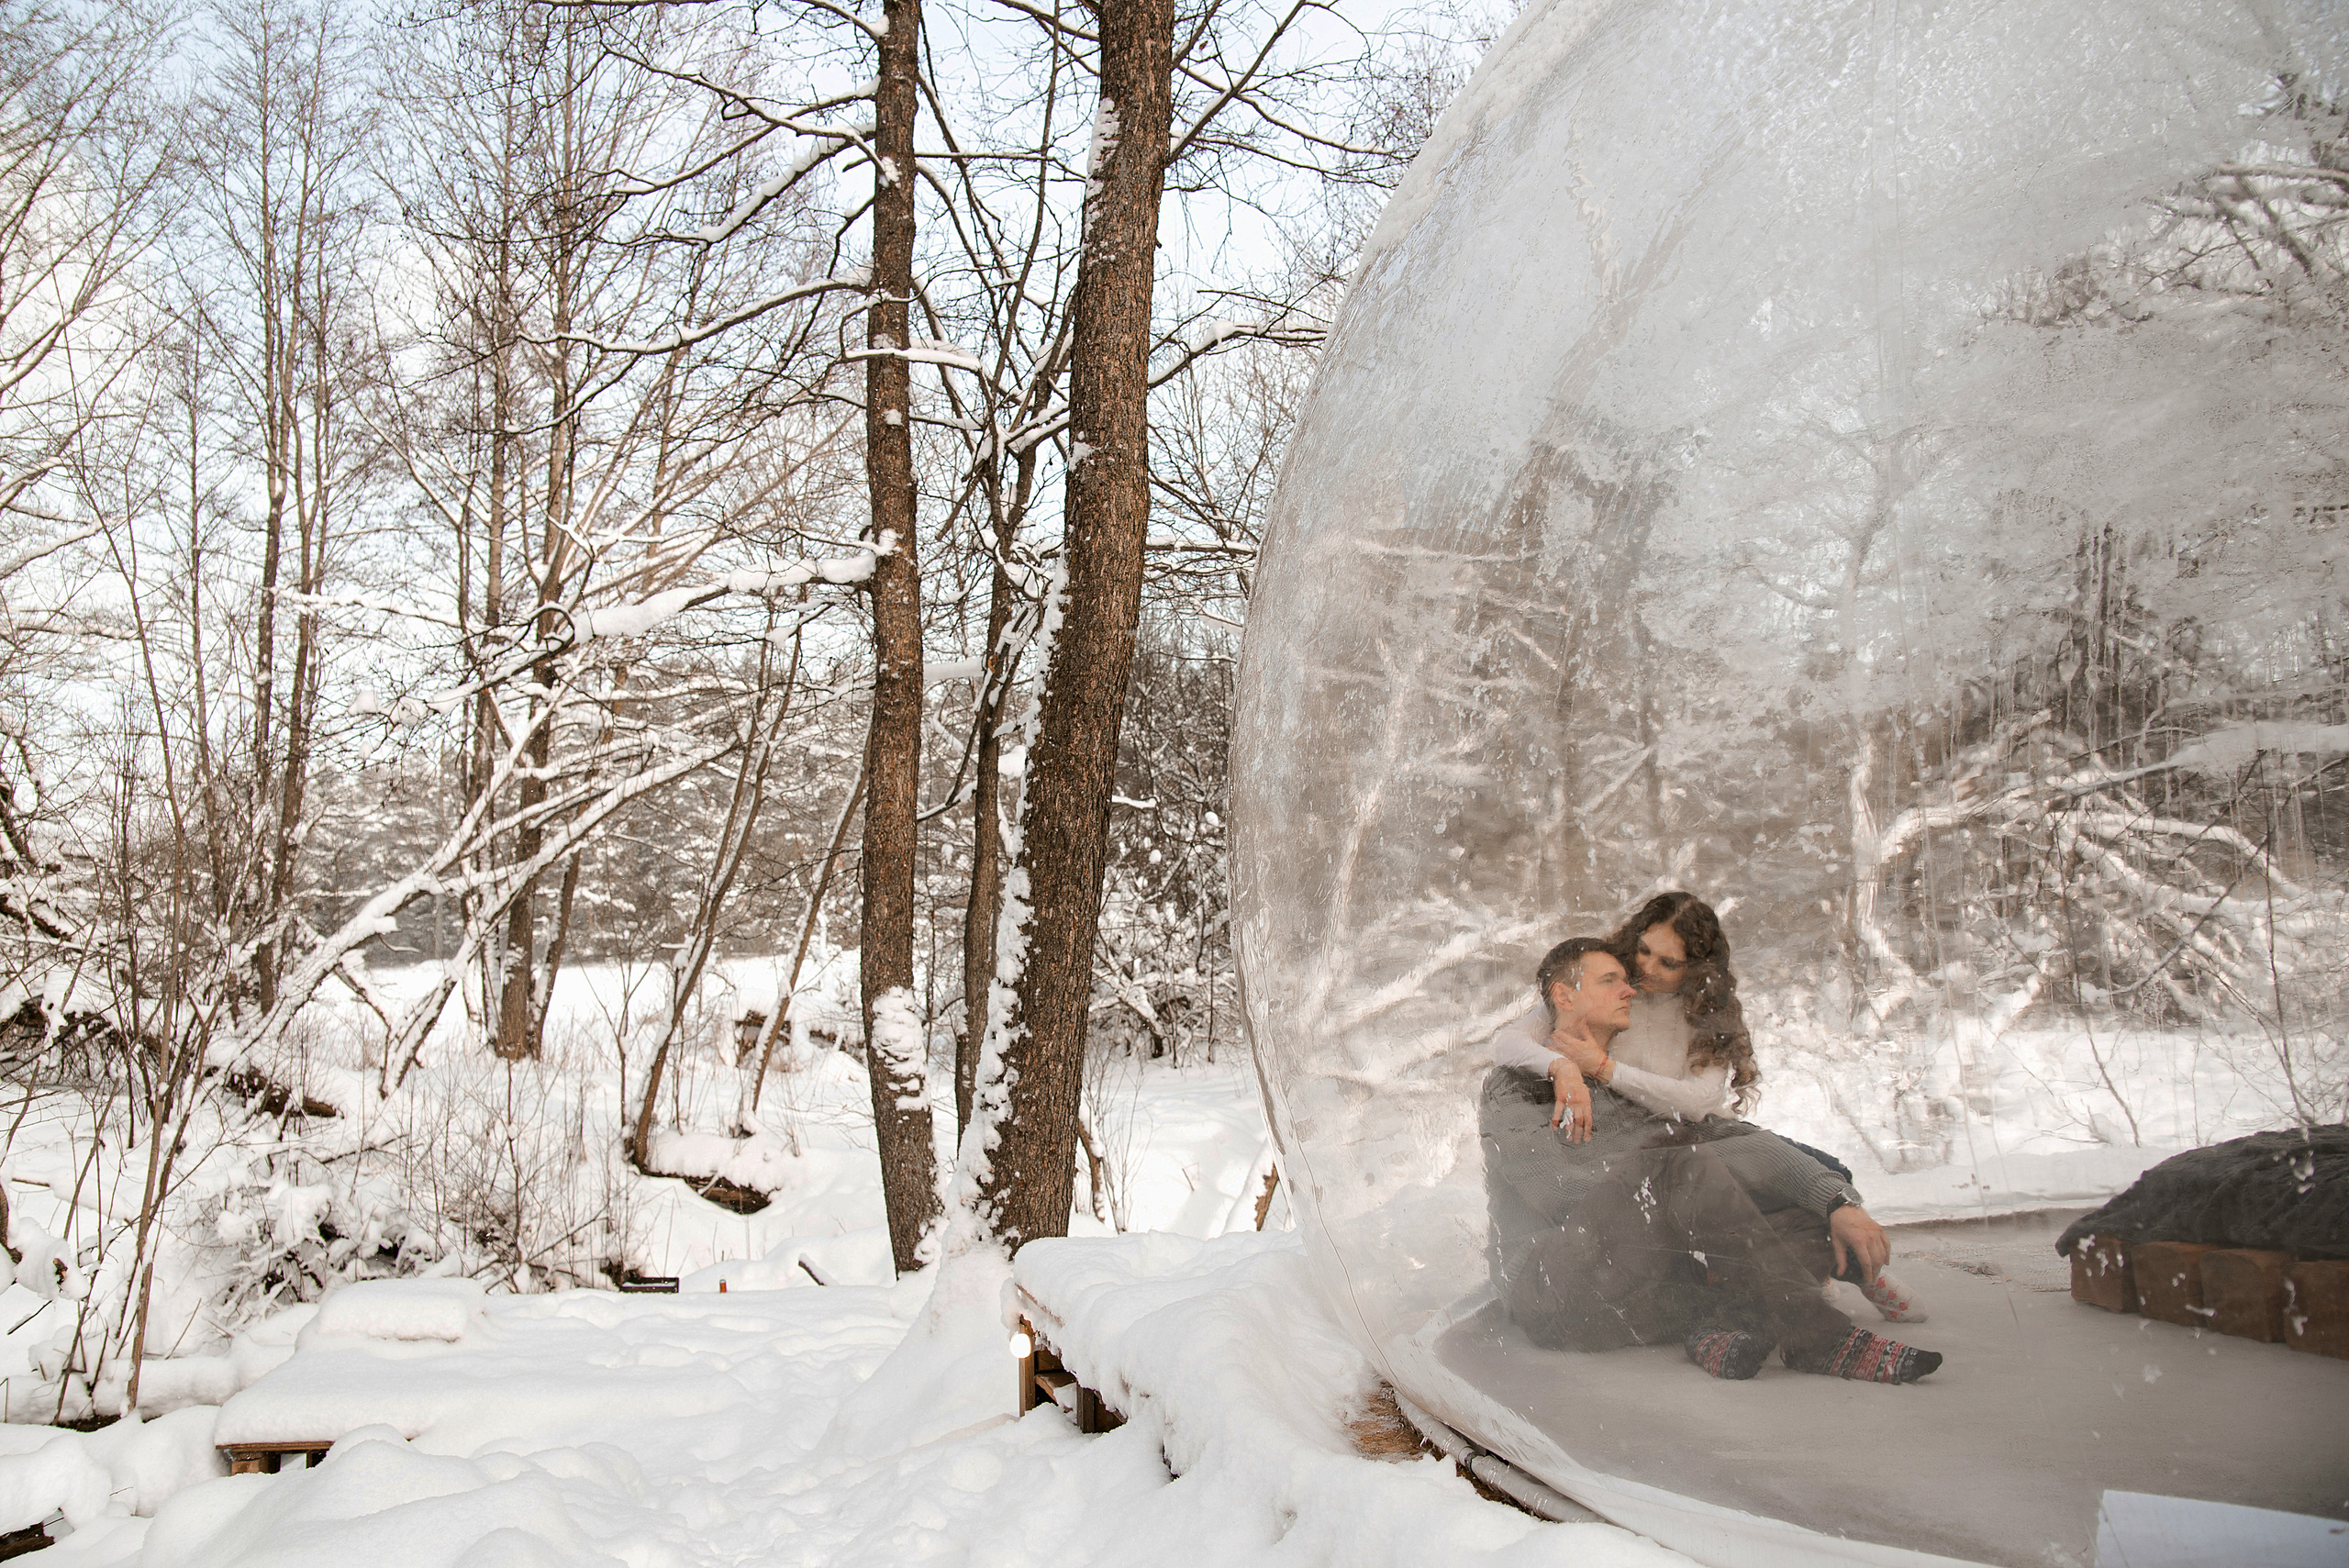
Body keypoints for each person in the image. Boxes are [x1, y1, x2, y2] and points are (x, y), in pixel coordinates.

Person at [1481, 937, 1943, 1383]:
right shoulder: (1512, 1087)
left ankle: (1724, 1326)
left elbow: (1737, 1136)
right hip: (1557, 1295)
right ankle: (1817, 1337)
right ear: (1563, 994)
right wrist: (1666, 1182)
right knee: (1684, 1165)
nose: (1628, 990)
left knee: (1801, 1211)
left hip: (1644, 1296)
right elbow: (1557, 1195)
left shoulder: (1620, 1081)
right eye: (1609, 980)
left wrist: (1838, 1200)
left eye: (1626, 980)